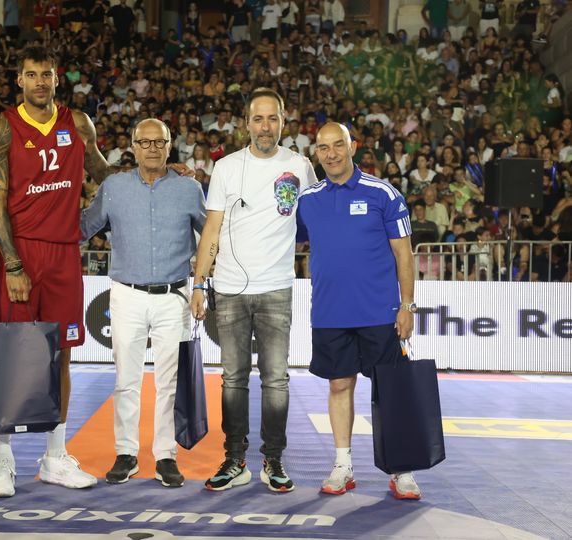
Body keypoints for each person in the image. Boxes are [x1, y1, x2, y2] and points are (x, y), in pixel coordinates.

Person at [0, 46, 118, 497]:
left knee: (61, 356)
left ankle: (55, 457)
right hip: (19, 254)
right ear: (19, 80)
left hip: (63, 254)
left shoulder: (77, 123)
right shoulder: (2, 127)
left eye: (47, 74)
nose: (40, 81)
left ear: (57, 79)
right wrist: (13, 263)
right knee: (12, 354)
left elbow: (105, 174)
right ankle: (3, 461)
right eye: (32, 74)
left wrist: (156, 171)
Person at [190, 88, 317, 493]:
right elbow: (211, 229)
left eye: (272, 118)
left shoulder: (300, 166)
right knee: (233, 379)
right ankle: (234, 459)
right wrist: (199, 282)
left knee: (276, 380)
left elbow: (319, 218)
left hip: (277, 288)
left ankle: (273, 460)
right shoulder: (227, 167)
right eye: (258, 119)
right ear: (246, 123)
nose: (265, 127)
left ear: (283, 121)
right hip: (229, 289)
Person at [297, 122, 421, 500]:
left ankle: (401, 468)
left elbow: (404, 253)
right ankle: (343, 465)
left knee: (390, 391)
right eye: (323, 148)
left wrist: (407, 305)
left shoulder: (383, 193)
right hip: (330, 313)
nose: (331, 154)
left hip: (380, 313)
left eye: (338, 145)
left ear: (353, 147)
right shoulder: (307, 200)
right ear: (316, 153)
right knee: (339, 385)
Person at [81, 118, 206, 487]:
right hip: (126, 295)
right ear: (132, 148)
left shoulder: (189, 188)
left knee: (170, 383)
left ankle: (166, 455)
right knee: (126, 381)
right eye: (145, 142)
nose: (152, 148)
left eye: (159, 142)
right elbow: (83, 228)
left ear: (170, 146)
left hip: (174, 297)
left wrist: (203, 285)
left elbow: (212, 233)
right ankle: (126, 452)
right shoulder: (114, 187)